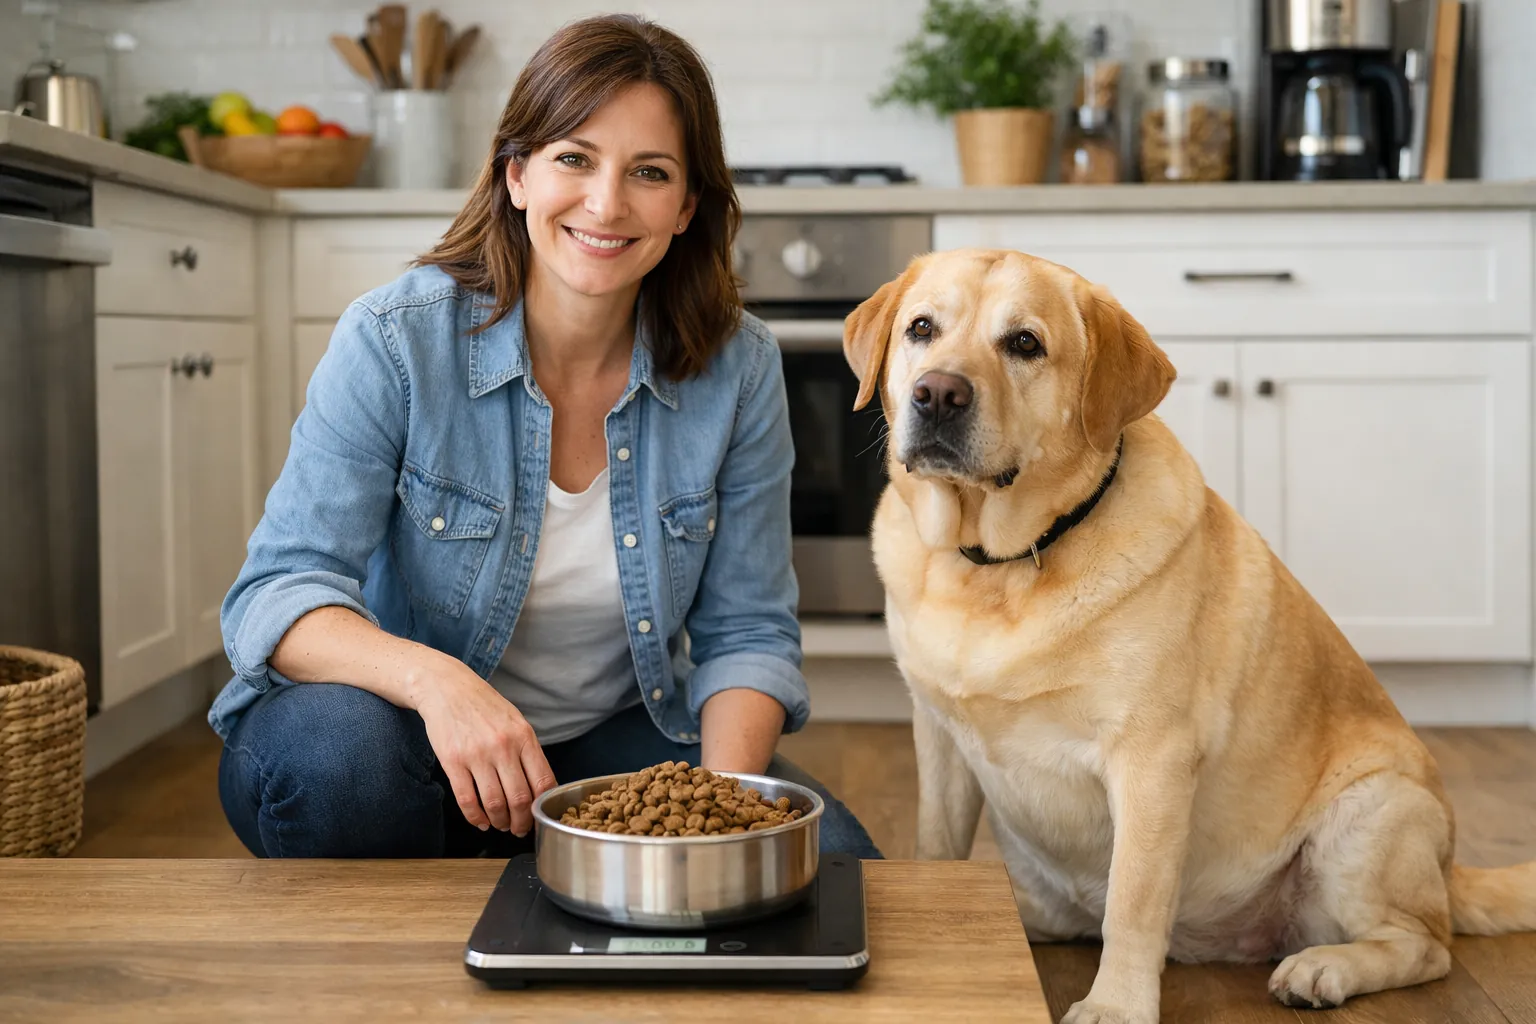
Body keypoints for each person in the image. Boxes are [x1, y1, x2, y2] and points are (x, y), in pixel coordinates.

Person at [209, 13, 882, 861]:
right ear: (517, 174)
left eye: (649, 172)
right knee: (334, 764)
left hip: (613, 744)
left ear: (686, 208)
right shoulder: (395, 339)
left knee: (839, 865)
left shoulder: (738, 368)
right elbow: (279, 592)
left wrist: (714, 818)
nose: (607, 203)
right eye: (574, 158)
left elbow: (746, 633)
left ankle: (518, 869)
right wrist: (440, 685)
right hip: (404, 738)